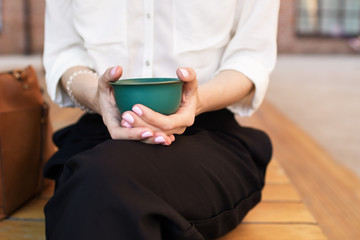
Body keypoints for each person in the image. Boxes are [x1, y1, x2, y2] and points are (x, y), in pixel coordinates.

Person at [43, 0, 279, 239]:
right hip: (101, 127)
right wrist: (96, 94)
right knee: (93, 188)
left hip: (205, 130)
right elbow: (64, 52)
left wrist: (196, 100)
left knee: (96, 187)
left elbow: (251, 56)